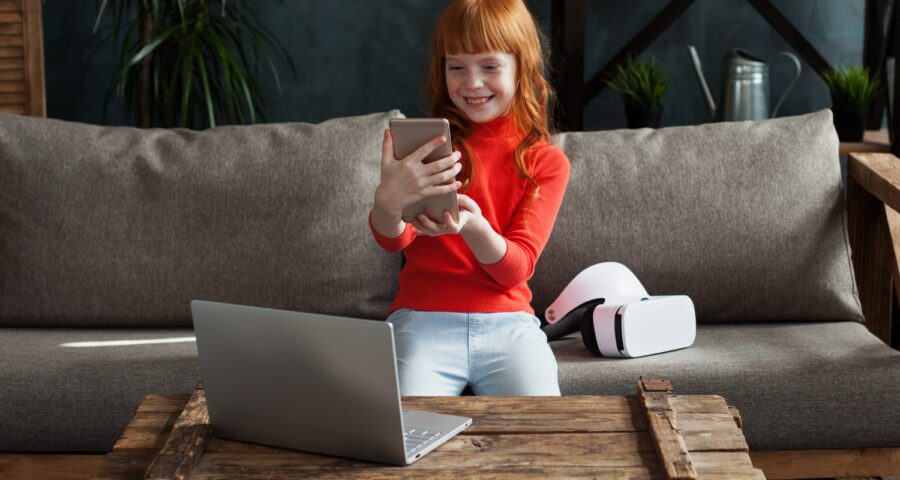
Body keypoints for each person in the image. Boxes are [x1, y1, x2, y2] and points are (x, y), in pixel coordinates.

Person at [368, 0, 569, 396]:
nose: (472, 83)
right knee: (406, 426)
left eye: (489, 66)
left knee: (542, 424)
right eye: (456, 67)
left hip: (509, 323)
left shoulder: (545, 162)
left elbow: (516, 269)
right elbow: (395, 240)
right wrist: (388, 202)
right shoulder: (425, 148)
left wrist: (474, 228)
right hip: (422, 318)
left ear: (522, 67)